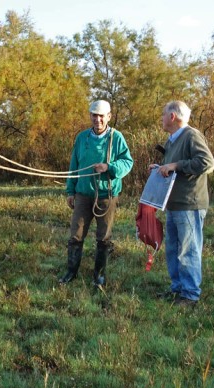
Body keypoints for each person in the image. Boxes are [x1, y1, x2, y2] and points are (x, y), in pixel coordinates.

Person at [59, 100, 134, 290]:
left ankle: (99, 276)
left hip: (106, 195)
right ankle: (71, 272)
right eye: (94, 115)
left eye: (102, 116)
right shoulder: (82, 137)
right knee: (76, 234)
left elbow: (127, 162)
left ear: (108, 117)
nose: (98, 119)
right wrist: (70, 190)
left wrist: (109, 167)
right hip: (83, 194)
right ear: (90, 116)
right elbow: (74, 165)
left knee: (103, 237)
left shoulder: (116, 138)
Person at [153, 101, 214, 307]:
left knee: (188, 250)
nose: (161, 118)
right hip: (173, 203)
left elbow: (207, 163)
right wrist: (162, 167)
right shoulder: (172, 140)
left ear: (173, 116)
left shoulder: (191, 135)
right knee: (173, 249)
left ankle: (190, 295)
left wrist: (176, 165)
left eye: (163, 114)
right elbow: (174, 167)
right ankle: (177, 289)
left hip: (190, 203)